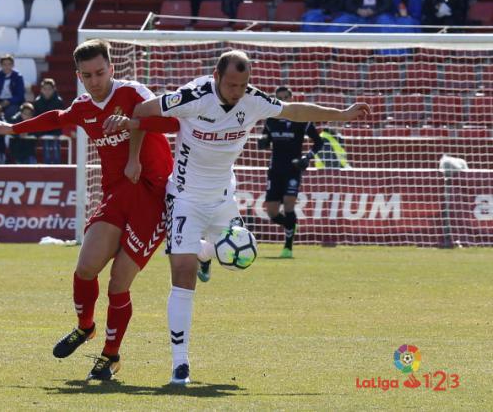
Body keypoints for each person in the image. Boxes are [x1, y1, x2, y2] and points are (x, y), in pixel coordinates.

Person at [103, 50, 369, 385]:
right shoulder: (193, 95)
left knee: (238, 260)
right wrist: (134, 159)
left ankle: (205, 253)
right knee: (182, 275)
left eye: (242, 85)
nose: (236, 91)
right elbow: (142, 111)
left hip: (223, 199)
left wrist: (341, 115)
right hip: (184, 198)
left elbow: (294, 111)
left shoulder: (252, 100)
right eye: (231, 84)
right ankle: (180, 364)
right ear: (216, 76)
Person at [0, 39, 178, 381]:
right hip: (117, 194)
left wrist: (133, 128)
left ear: (112, 69)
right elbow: (58, 117)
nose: (95, 80)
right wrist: (12, 128)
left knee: (119, 283)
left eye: (101, 72)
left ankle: (110, 356)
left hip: (153, 195)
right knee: (86, 268)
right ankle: (85, 327)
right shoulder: (84, 105)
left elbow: (172, 124)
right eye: (87, 75)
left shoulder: (133, 93)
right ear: (79, 76)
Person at [257, 87, 323, 258]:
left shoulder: (302, 119)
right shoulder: (271, 120)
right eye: (280, 98)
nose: (284, 100)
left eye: (286, 97)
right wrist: (263, 141)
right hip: (275, 169)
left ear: (292, 98)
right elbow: (266, 139)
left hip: (293, 169)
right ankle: (290, 225)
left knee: (288, 205)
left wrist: (307, 158)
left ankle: (288, 248)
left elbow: (319, 142)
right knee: (271, 211)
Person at [33, 78, 65, 164]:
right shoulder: (37, 102)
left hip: (55, 133)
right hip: (43, 133)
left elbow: (60, 119)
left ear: (54, 89)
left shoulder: (59, 102)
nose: (47, 91)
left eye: (49, 89)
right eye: (45, 89)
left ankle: (57, 173)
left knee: (56, 154)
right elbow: (36, 119)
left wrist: (57, 133)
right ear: (41, 90)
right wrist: (39, 133)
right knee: (46, 154)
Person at [329, 0, 394, 32]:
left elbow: (387, 3)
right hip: (357, 15)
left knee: (385, 20)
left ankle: (387, 53)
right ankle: (330, 50)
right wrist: (357, 10)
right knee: (342, 20)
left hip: (377, 15)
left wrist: (374, 11)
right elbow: (348, 3)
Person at [0, 54, 25, 119]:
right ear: (1, 65)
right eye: (4, 64)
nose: (7, 67)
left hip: (12, 102)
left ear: (13, 65)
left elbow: (20, 95)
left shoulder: (18, 77)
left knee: (11, 112)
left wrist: (9, 101)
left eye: (9, 64)